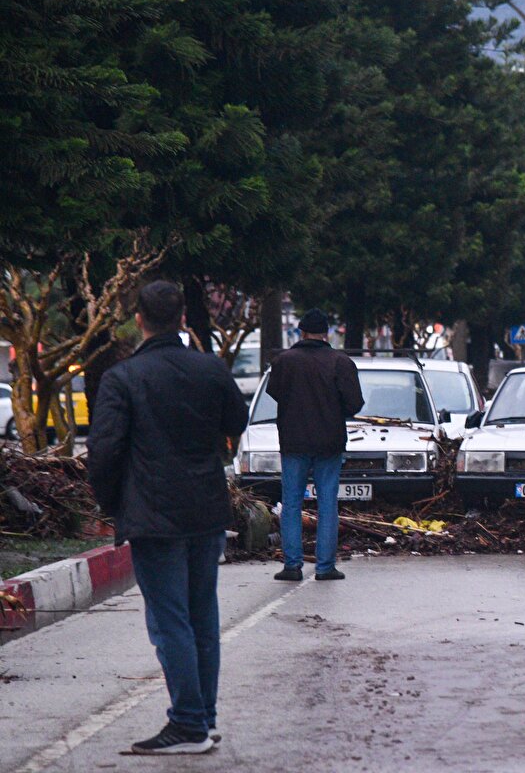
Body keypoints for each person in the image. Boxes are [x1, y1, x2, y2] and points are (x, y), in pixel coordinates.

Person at [88, 281, 248, 754]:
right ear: (182, 318)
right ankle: (204, 718)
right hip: (205, 508)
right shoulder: (210, 369)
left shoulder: (123, 378)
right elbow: (237, 422)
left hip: (153, 512)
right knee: (202, 615)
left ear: (139, 319)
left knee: (170, 620)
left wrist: (109, 503)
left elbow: (104, 450)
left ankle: (187, 724)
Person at [267, 308, 363, 582]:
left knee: (291, 503)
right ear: (327, 334)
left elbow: (275, 392)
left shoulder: (284, 361)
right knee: (327, 504)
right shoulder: (340, 362)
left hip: (293, 441)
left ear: (301, 332)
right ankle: (325, 566)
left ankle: (292, 565)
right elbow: (354, 404)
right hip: (329, 443)